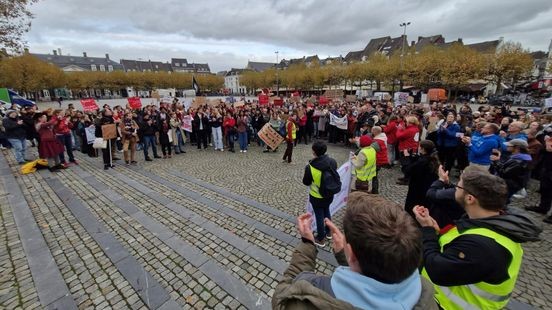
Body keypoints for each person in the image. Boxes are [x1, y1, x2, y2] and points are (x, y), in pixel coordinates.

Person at [272, 193, 437, 309]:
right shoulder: (425, 294)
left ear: (351, 253)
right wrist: (347, 257)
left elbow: (282, 296)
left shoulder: (311, 300)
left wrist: (308, 242)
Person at [414, 166, 541, 310]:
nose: (455, 189)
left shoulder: (482, 245)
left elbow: (437, 270)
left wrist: (427, 230)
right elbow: (456, 249)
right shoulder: (487, 223)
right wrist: (437, 232)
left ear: (470, 198)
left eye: (458, 187)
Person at [302, 141, 338, 247]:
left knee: (319, 215)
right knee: (327, 211)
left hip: (316, 196)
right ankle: (329, 232)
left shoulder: (310, 167)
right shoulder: (332, 161)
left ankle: (320, 238)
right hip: (329, 194)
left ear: (314, 152)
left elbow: (306, 182)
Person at [403, 140, 439, 218]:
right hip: (427, 189)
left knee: (413, 210)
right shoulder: (433, 160)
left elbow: (407, 171)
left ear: (422, 149)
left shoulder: (422, 162)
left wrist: (406, 157)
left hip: (417, 190)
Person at [525, 134, 552, 223]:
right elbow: (543, 150)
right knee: (545, 188)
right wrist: (547, 145)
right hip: (548, 167)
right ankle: (543, 207)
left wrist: (548, 146)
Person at [370, 126, 388, 194]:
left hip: (377, 160)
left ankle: (374, 190)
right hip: (381, 160)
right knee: (374, 176)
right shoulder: (382, 138)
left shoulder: (377, 141)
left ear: (375, 132)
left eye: (372, 131)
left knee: (373, 176)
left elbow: (370, 149)